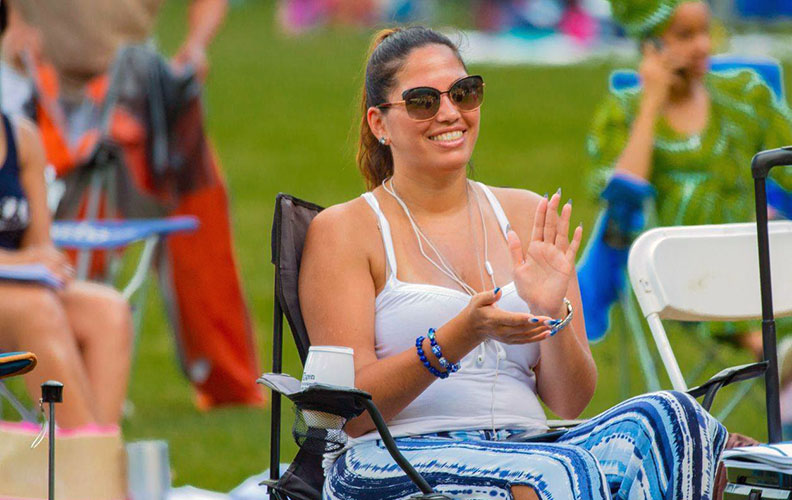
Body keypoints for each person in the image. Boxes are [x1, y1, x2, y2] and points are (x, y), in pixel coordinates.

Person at [300, 26, 728, 500]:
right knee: (557, 475)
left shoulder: (525, 215)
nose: (450, 113)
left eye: (464, 93)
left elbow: (569, 400)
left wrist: (553, 317)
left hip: (532, 444)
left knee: (679, 424)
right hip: (392, 458)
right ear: (380, 124)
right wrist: (462, 333)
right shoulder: (347, 230)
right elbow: (350, 413)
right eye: (423, 101)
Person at [0, 0, 263, 408]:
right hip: (42, 83)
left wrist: (194, 46)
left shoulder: (22, 139)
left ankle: (222, 382)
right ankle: (76, 411)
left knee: (115, 291)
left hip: (134, 89)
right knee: (46, 280)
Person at [0, 0, 132, 428]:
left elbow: (40, 244)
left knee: (108, 309)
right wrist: (21, 263)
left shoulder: (21, 138)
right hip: (18, 299)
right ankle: (93, 473)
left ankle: (91, 461)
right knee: (37, 308)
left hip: (17, 294)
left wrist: (44, 259)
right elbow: (26, 258)